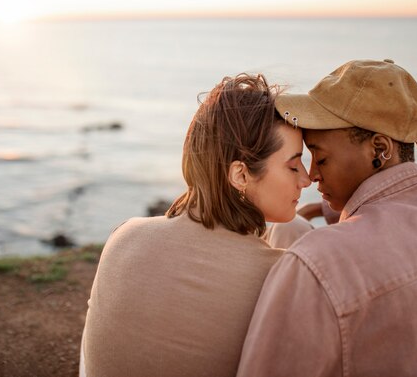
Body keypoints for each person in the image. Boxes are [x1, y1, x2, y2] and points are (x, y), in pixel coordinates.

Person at [237, 59, 417, 376]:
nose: (311, 175)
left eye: (321, 158)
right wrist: (328, 208)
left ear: (379, 149)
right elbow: (409, 197)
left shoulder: (319, 263)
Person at [81, 73, 311, 377]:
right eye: (293, 166)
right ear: (241, 175)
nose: (307, 179)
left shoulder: (125, 235)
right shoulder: (279, 279)